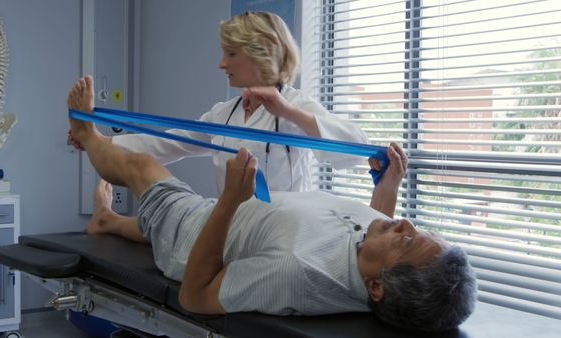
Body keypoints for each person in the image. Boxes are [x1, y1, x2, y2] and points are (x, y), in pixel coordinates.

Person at [67, 75, 477, 332]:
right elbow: (372, 243)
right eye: (419, 229)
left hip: (193, 237)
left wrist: (230, 201)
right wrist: (386, 188)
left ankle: (85, 134)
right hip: (227, 220)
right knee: (148, 223)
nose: (405, 223)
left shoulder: (296, 273)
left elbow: (195, 295)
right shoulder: (370, 254)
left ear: (375, 287)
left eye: (407, 241)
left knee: (140, 168)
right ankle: (107, 221)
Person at [68, 11, 374, 236]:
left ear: (261, 54)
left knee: (184, 222)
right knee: (180, 218)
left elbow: (357, 150)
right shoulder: (224, 112)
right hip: (233, 224)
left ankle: (108, 219)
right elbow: (168, 142)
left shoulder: (296, 106)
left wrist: (289, 112)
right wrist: (101, 142)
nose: (221, 64)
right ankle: (108, 216)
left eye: (231, 53)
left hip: (284, 229)